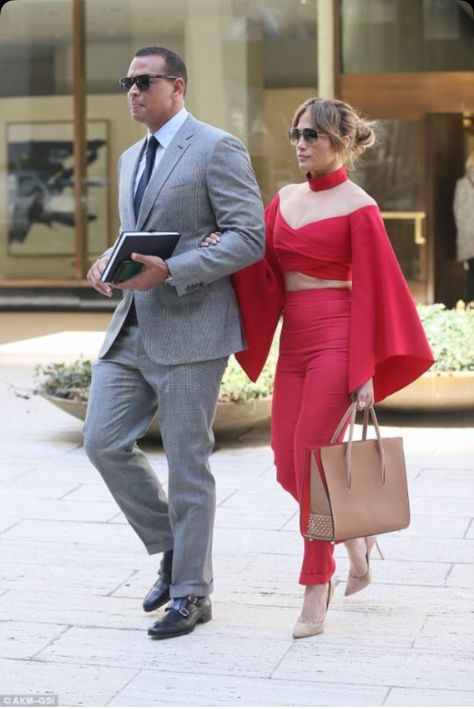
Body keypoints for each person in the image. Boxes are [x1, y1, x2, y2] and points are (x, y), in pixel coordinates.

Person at [204, 97, 433, 639]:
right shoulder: (282, 200)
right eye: (296, 133)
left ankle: (316, 584)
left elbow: (378, 293)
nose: (301, 143)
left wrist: (365, 371)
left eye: (313, 135)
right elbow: (258, 265)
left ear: (343, 143)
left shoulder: (360, 206)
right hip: (295, 345)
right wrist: (222, 246)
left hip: (337, 341)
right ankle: (353, 535)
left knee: (311, 465)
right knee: (287, 465)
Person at [84, 46, 264, 641]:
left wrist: (178, 268)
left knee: (189, 467)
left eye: (144, 81)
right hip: (132, 325)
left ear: (177, 86)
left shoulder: (217, 147)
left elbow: (248, 235)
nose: (132, 90)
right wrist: (107, 260)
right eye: (126, 81)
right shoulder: (133, 155)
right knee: (104, 443)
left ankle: (192, 592)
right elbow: (137, 234)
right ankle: (171, 547)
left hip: (193, 328)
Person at [453, 151, 474, 302]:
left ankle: (470, 310)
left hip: (470, 241)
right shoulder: (463, 183)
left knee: (471, 277)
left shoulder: (463, 184)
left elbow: (459, 215)